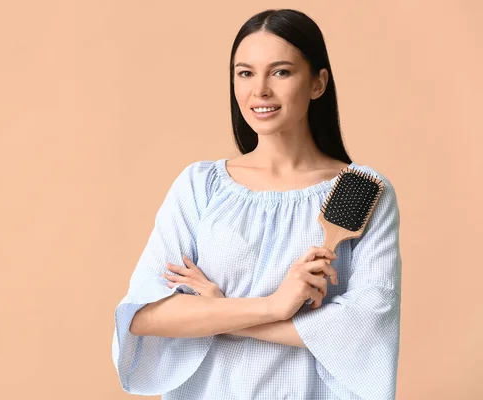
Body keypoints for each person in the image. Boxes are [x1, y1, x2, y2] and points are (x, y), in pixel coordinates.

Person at [112, 8, 401, 400]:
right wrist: (273, 306)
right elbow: (146, 315)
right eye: (245, 73)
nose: (259, 90)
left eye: (281, 72)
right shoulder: (201, 186)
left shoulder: (362, 190)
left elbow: (365, 327)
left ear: (318, 83)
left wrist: (220, 312)